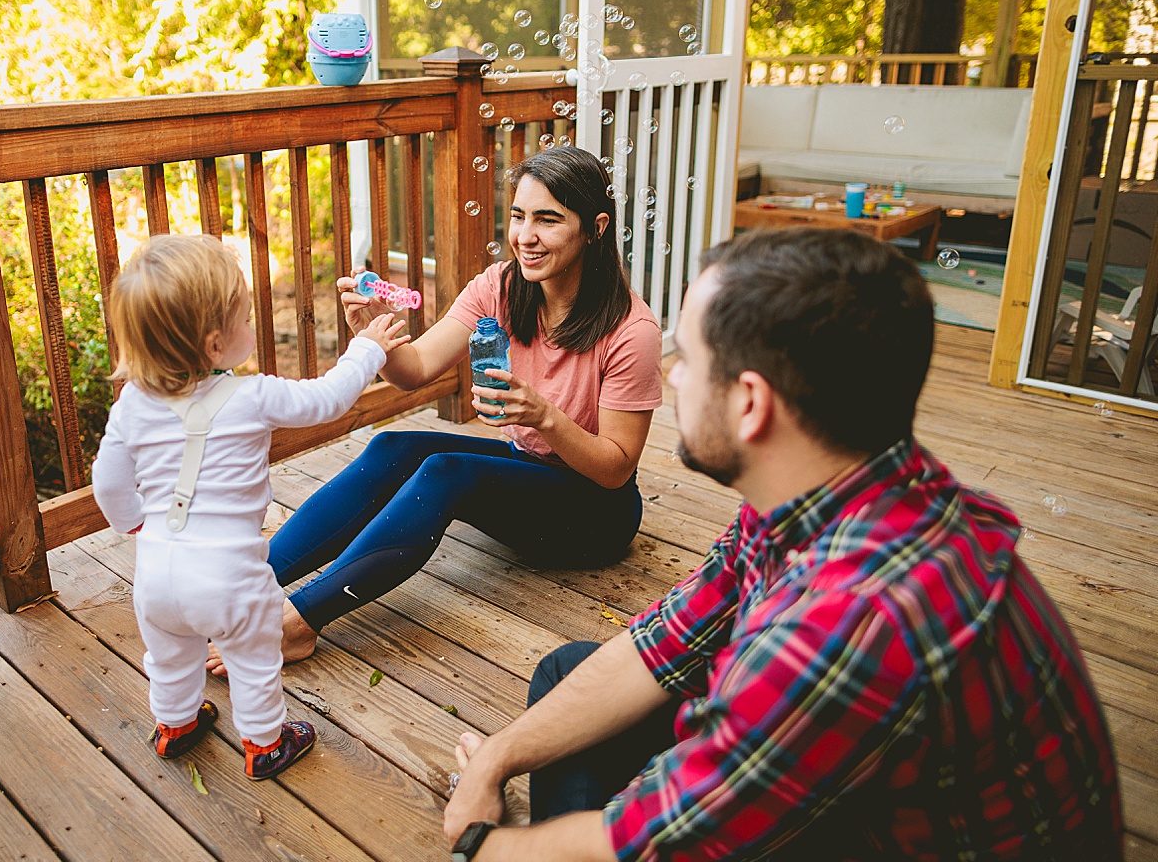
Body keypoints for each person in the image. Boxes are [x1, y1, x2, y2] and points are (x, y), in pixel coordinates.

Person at [443, 227, 1123, 861]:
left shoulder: (852, 620)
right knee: (571, 673)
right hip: (875, 792)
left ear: (751, 404)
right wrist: (497, 759)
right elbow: (660, 646)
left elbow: (667, 834)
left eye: (692, 358)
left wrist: (483, 841)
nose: (673, 375)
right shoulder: (837, 485)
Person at [208, 145, 663, 676]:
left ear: (595, 228)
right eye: (518, 215)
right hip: (531, 470)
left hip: (595, 514)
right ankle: (249, 584)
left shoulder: (632, 331)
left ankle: (297, 624)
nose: (526, 236)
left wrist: (545, 417)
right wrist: (373, 337)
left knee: (447, 473)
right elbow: (417, 368)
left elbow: (615, 468)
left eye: (549, 220)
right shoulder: (501, 286)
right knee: (393, 445)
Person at [90, 234, 409, 779]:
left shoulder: (132, 406)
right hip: (231, 578)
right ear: (216, 345)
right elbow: (328, 398)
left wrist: (133, 522)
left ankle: (177, 724)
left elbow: (108, 483)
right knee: (255, 660)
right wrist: (369, 348)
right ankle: (265, 744)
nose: (253, 324)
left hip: (156, 577)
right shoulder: (253, 396)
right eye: (244, 317)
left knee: (169, 657)